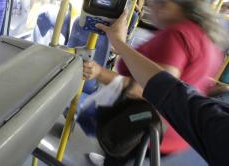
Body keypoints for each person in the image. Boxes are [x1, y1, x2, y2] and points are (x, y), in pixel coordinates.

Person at [83, 0, 226, 155]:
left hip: (146, 124)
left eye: (152, 8)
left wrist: (99, 72)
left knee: (117, 152)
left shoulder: (176, 35)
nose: (151, 15)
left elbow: (151, 90)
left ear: (164, 5)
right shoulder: (206, 36)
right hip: (180, 131)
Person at [93, 14, 229, 166]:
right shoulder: (209, 42)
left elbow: (158, 90)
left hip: (157, 122)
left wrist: (101, 70)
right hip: (177, 132)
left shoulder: (178, 35)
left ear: (167, 6)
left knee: (121, 146)